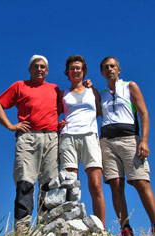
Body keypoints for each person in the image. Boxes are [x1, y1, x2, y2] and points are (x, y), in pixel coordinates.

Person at [99, 56, 155, 236]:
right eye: (105, 67)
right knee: (115, 184)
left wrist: (144, 140)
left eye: (112, 66)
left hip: (130, 139)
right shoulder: (101, 94)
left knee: (141, 182)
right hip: (107, 141)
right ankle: (126, 231)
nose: (109, 69)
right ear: (102, 73)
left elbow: (144, 113)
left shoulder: (130, 86)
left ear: (119, 69)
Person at [0, 55, 60, 234]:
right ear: (29, 69)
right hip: (28, 138)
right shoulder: (19, 86)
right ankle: (22, 233)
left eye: (43, 67)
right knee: (25, 182)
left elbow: (68, 105)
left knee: (50, 184)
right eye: (36, 66)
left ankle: (47, 229)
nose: (39, 69)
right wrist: (10, 125)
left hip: (52, 138)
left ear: (47, 70)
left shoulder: (55, 89)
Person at [59, 55, 106, 226]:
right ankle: (71, 226)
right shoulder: (63, 94)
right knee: (70, 185)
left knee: (95, 185)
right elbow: (53, 113)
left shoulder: (92, 92)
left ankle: (101, 228)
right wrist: (58, 124)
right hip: (68, 137)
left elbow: (100, 111)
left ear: (84, 71)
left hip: (89, 136)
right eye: (72, 68)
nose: (75, 70)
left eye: (78, 68)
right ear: (67, 72)